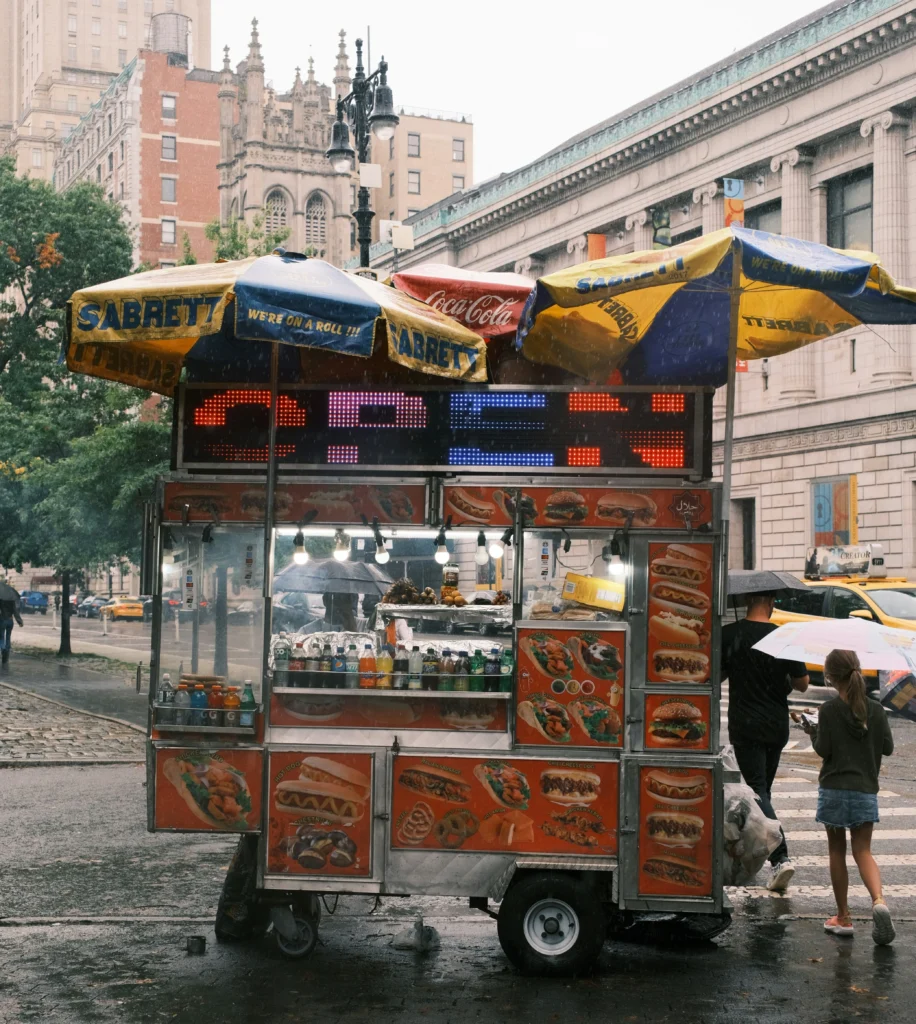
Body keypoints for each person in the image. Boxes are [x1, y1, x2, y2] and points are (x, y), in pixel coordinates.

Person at [804, 649, 895, 944]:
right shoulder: (877, 710)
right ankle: (879, 901)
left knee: (836, 851)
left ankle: (843, 917)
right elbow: (888, 748)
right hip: (865, 790)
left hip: (833, 789)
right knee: (863, 851)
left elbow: (823, 750)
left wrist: (812, 733)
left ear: (830, 677)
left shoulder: (828, 710)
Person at [721, 591, 809, 891]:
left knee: (758, 791)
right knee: (763, 790)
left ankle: (780, 857)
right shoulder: (783, 637)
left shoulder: (730, 634)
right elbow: (803, 684)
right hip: (776, 726)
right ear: (770, 603)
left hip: (745, 725)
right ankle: (769, 854)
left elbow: (716, 676)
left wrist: (737, 659)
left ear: (747, 602)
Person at [0, 593, 24, 666]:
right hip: (10, 621)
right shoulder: (11, 600)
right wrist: (19, 621)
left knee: (1, 637)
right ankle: (6, 653)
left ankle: (3, 648)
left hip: (3, 620)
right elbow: (15, 612)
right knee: (8, 637)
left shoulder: (1, 600)